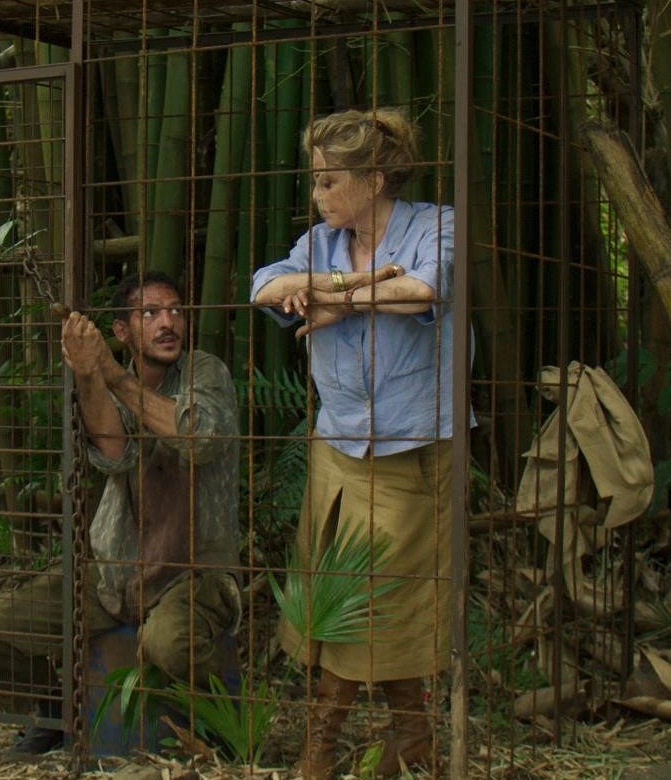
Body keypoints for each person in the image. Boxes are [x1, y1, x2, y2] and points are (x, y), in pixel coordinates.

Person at [250, 107, 468, 779]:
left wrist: (339, 304)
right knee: (332, 587)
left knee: (387, 595)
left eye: (327, 182)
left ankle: (324, 741)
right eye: (316, 182)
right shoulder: (320, 243)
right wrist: (358, 283)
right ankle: (413, 734)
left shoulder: (437, 225)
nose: (318, 197)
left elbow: (426, 290)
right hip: (338, 444)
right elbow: (267, 286)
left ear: (374, 179)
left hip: (415, 444)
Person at [0, 270, 242, 754]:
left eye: (175, 310)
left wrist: (112, 374)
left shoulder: (205, 370)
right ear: (121, 331)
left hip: (192, 573)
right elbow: (114, 453)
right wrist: (91, 372)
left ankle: (227, 725)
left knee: (168, 644)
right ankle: (55, 713)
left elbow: (197, 436)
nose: (167, 323)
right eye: (150, 313)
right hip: (115, 571)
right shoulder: (120, 382)